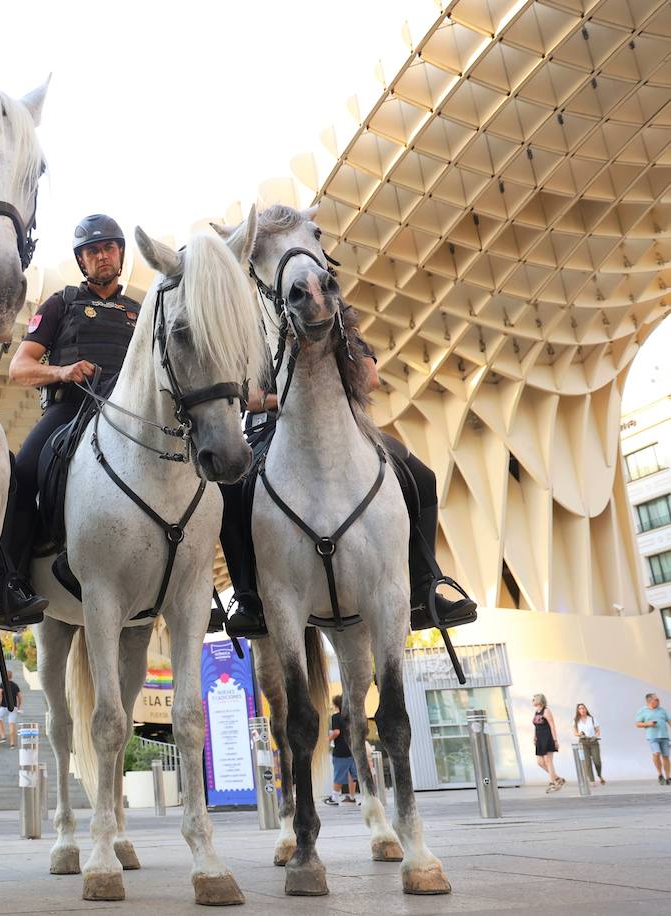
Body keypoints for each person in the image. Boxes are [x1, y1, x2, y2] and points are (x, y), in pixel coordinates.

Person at [215, 307, 477, 640]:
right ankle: (249, 599)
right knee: (230, 490)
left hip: (343, 425)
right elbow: (249, 398)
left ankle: (424, 589)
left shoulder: (333, 320)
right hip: (273, 429)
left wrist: (323, 399)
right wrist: (287, 401)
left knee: (422, 477)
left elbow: (370, 376)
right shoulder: (251, 330)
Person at [0, 214, 141, 628]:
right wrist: (62, 371)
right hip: (69, 410)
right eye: (93, 251)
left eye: (109, 248)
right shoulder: (61, 303)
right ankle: (9, 583)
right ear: (82, 261)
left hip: (129, 418)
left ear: (121, 253)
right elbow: (20, 368)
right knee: (19, 475)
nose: (102, 256)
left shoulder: (139, 313)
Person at [325, 695, 358, 806]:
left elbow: (336, 732)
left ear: (336, 705)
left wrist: (327, 740)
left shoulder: (336, 717)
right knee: (353, 775)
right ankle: (352, 797)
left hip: (341, 750)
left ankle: (334, 798)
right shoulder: (351, 716)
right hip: (353, 749)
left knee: (338, 774)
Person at [635, 692, 671, 784]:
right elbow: (637, 724)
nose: (658, 701)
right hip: (652, 737)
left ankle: (668, 777)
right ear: (650, 701)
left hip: (664, 737)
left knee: (666, 756)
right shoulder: (642, 711)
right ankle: (660, 774)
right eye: (656, 699)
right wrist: (648, 724)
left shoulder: (662, 710)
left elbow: (669, 721)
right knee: (656, 753)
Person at [532, 694, 565, 792]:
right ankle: (558, 779)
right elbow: (536, 726)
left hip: (547, 738)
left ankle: (553, 783)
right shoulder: (536, 712)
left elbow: (552, 726)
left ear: (539, 700)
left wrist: (555, 740)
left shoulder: (546, 711)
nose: (532, 700)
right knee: (540, 762)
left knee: (548, 761)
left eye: (533, 699)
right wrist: (535, 737)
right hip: (539, 739)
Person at [573, 702, 604, 786]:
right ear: (578, 711)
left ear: (586, 709)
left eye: (583, 708)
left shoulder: (592, 719)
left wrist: (595, 736)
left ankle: (599, 775)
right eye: (580, 708)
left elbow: (598, 731)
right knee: (587, 762)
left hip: (593, 741)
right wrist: (580, 734)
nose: (582, 710)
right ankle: (592, 781)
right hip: (583, 742)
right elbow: (575, 733)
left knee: (597, 761)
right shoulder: (576, 721)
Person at [0, 668, 22, 748]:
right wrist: (19, 705)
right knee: (12, 724)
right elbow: (20, 696)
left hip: (4, 706)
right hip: (13, 706)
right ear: (11, 676)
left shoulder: (3, 684)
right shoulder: (15, 685)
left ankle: (3, 736)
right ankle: (12, 744)